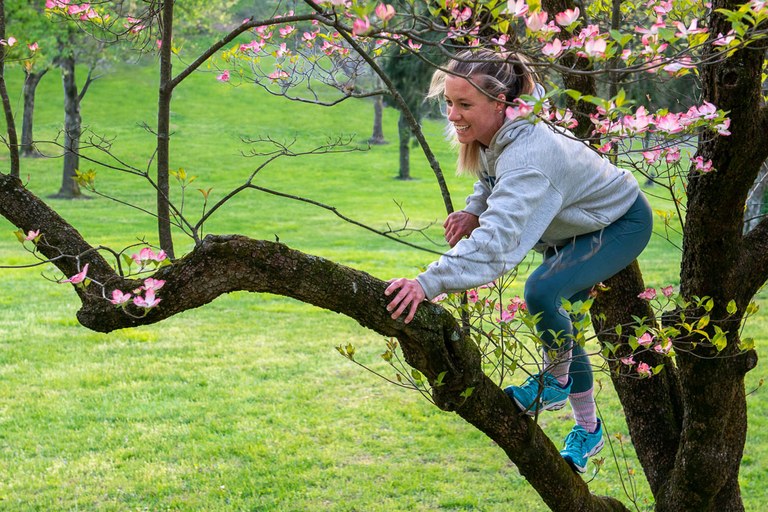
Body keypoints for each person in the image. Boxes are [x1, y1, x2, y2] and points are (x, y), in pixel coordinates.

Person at [384, 49, 653, 474]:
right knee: (561, 323)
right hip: (575, 231)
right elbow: (493, 178)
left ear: (502, 103)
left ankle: (556, 381)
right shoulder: (505, 134)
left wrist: (427, 283)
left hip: (618, 224)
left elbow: (497, 241)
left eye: (465, 104)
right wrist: (475, 208)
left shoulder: (532, 154)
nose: (453, 115)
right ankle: (589, 429)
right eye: (449, 102)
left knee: (542, 291)